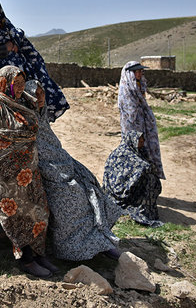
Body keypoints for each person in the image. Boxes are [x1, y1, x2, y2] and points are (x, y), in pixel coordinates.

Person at [0, 65, 58, 278]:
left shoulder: (25, 102)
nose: (20, 87)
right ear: (4, 83)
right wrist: (3, 156)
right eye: (15, 83)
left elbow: (39, 118)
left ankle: (39, 254)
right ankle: (27, 260)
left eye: (22, 83)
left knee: (38, 209)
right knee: (17, 215)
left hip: (29, 170)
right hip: (7, 174)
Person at [24, 80, 123, 260]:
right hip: (49, 170)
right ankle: (75, 248)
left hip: (62, 164)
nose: (39, 98)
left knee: (91, 186)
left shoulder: (42, 117)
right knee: (74, 196)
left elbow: (53, 146)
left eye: (41, 94)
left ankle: (99, 240)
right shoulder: (25, 120)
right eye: (35, 94)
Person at [103, 130, 163, 227]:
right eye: (140, 140)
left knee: (151, 179)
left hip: (131, 186)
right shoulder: (122, 154)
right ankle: (142, 210)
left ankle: (148, 209)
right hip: (119, 192)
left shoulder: (139, 151)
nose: (143, 142)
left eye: (143, 140)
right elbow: (125, 175)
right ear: (133, 140)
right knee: (148, 180)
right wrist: (144, 170)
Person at [117, 61, 164, 180]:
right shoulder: (126, 88)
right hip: (131, 125)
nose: (139, 74)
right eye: (137, 71)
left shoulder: (139, 85)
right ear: (130, 74)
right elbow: (130, 110)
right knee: (133, 149)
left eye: (140, 71)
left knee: (144, 149)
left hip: (142, 123)